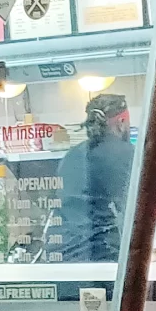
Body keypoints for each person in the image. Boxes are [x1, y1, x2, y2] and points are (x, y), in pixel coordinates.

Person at [55, 91, 134, 263]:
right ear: (121, 123)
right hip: (103, 258)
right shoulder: (130, 155)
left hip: (63, 257)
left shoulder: (70, 157)